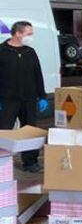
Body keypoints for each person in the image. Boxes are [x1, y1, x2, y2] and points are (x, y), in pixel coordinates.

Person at [0, 21, 48, 173]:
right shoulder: (1, 51)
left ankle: (30, 162)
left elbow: (37, 74)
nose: (31, 37)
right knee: (4, 130)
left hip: (29, 99)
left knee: (29, 130)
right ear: (18, 33)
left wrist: (42, 96)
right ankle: (2, 162)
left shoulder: (30, 52)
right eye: (29, 34)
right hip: (7, 99)